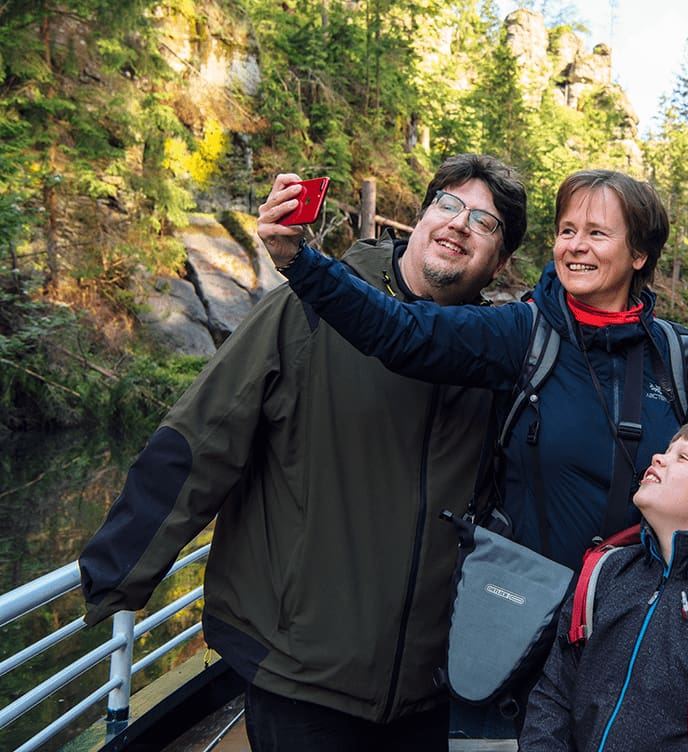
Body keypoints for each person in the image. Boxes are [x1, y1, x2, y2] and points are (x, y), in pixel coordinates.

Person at [78, 154, 528, 751]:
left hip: (430, 684)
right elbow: (204, 435)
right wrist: (118, 571)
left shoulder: (498, 357)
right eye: (447, 205)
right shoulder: (312, 309)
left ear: (500, 261)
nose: (458, 224)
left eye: (485, 222)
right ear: (419, 220)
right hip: (301, 672)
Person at [259, 169, 688, 572]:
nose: (575, 247)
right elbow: (402, 332)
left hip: (643, 612)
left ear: (638, 254)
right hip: (534, 611)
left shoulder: (677, 355)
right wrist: (300, 261)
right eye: (567, 231)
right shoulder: (523, 332)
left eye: (597, 233)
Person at [519, 419, 688, 752]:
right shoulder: (606, 571)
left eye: (682, 457)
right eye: (667, 450)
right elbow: (554, 692)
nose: (658, 458)